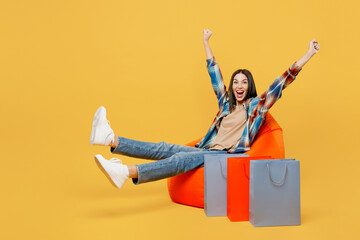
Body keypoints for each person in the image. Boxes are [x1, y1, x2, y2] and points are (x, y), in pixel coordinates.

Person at [90, 29, 320, 189]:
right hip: (207, 149)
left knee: (179, 159)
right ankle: (111, 139)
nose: (239, 85)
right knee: (165, 147)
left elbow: (283, 81)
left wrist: (308, 54)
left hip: (224, 156)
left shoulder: (255, 107)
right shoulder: (226, 105)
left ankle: (127, 172)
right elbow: (214, 74)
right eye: (236, 82)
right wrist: (206, 43)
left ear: (249, 86)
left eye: (244, 82)